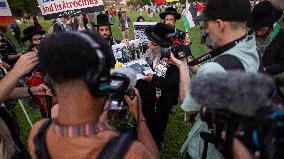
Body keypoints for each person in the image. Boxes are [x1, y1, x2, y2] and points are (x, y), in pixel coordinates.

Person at [28, 32, 159, 159]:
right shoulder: (127, 152)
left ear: (52, 83)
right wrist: (139, 115)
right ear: (100, 83)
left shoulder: (38, 134)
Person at [175, 0, 260, 158]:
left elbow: (188, 104)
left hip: (209, 150)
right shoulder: (251, 50)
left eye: (207, 24)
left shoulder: (215, 68)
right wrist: (195, 68)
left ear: (220, 24)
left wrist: (182, 67)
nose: (206, 29)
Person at [136, 23, 180, 149]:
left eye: (154, 44)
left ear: (164, 47)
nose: (149, 45)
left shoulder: (173, 61)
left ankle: (157, 139)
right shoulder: (147, 53)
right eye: (150, 41)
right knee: (144, 119)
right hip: (146, 98)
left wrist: (154, 79)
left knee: (158, 124)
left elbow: (171, 84)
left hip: (161, 103)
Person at [249, 1, 284, 76]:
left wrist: (266, 70)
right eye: (256, 29)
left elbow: (282, 64)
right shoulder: (250, 33)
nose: (258, 33)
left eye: (262, 30)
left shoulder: (281, 36)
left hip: (267, 80)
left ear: (271, 26)